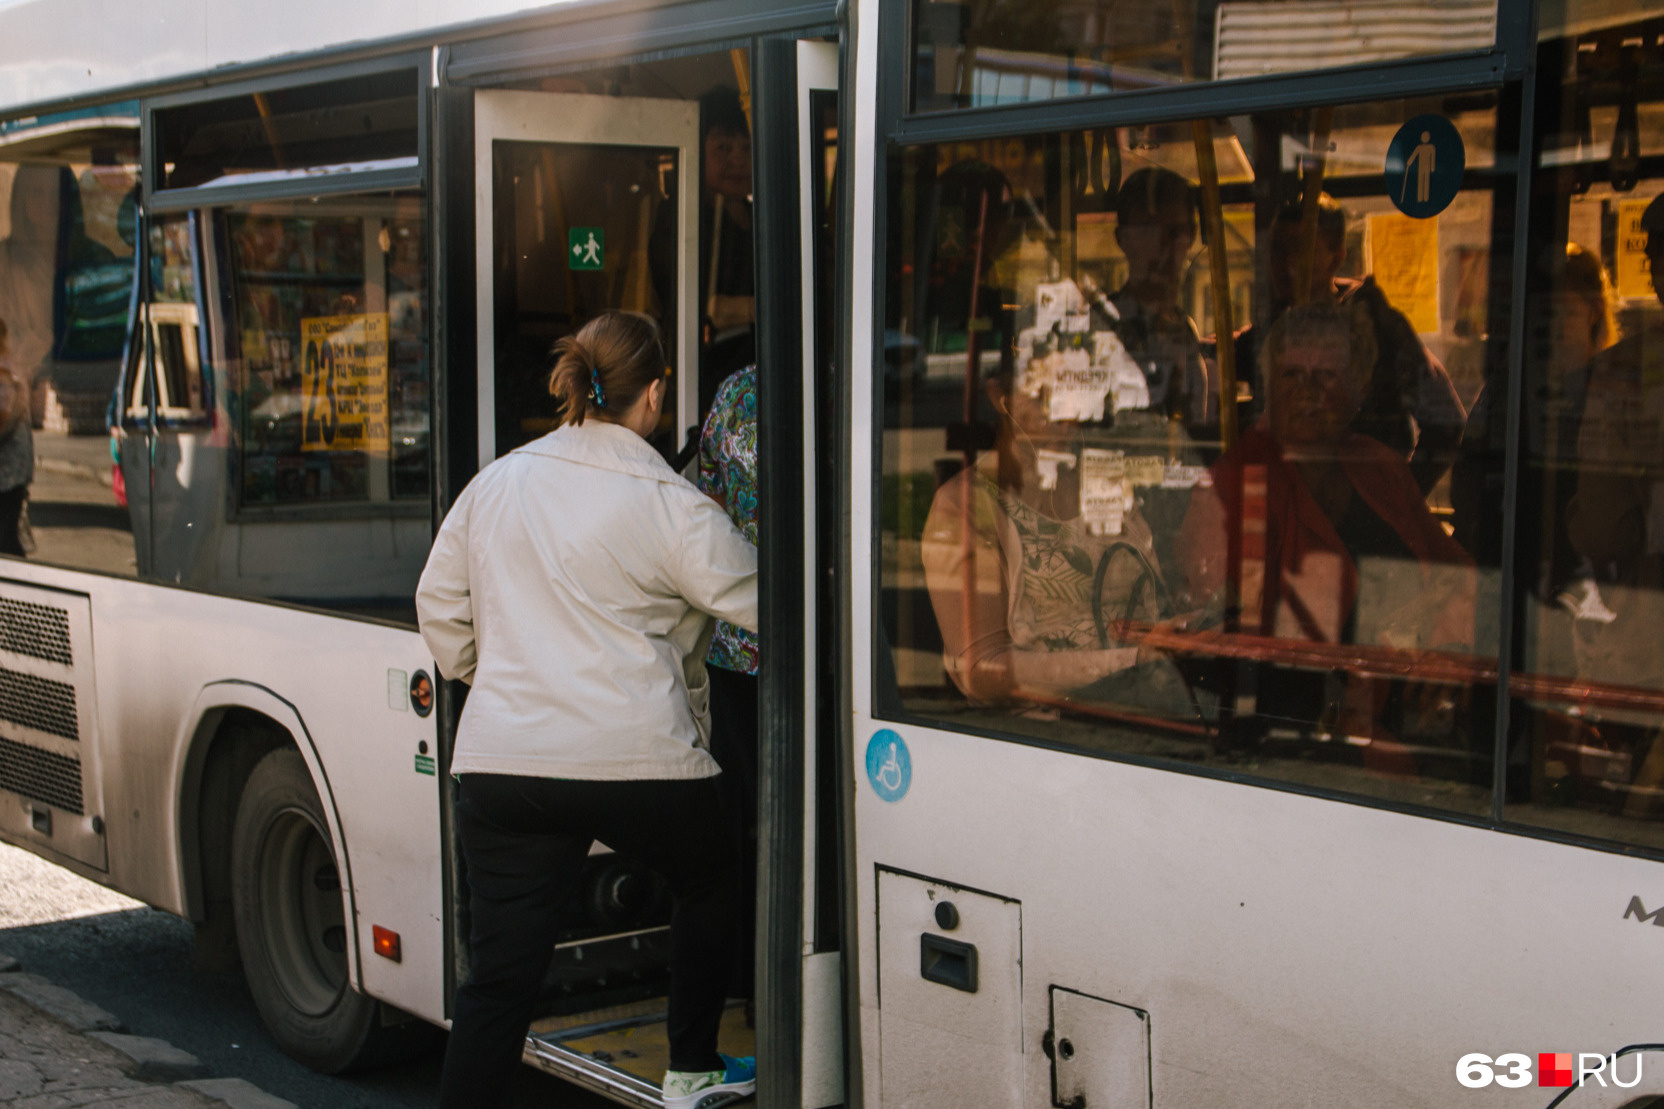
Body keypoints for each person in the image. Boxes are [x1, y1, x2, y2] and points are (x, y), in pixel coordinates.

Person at [417, 312, 760, 1109]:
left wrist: (497, 674)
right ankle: (691, 1067)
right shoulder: (670, 500)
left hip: (503, 766)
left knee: (498, 979)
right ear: (657, 393)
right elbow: (763, 600)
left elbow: (438, 604)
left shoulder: (497, 481)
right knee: (709, 877)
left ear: (578, 387)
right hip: (637, 759)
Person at [1179, 300, 1473, 651]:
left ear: (1359, 389)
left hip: (1408, 687)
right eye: (1291, 373)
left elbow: (1457, 575)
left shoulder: (1379, 466)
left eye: (1326, 375)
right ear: (1269, 385)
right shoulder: (1231, 488)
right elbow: (1228, 634)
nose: (1307, 389)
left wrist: (1449, 645)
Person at [919, 350, 1166, 704]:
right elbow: (982, 667)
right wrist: (1131, 660)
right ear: (1000, 397)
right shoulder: (966, 507)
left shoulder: (1104, 485)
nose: (1065, 415)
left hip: (1152, 718)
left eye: (1077, 393)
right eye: (1045, 395)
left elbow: (1154, 600)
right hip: (1041, 738)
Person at [1233, 193, 1465, 493]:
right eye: (1278, 249)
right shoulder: (1274, 332)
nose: (1287, 261)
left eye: (1302, 249)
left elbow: (1446, 422)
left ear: (1336, 257)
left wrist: (1397, 502)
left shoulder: (1378, 330)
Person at [695, 362, 760, 1011]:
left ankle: (745, 978)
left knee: (743, 820)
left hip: (735, 640)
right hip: (818, 645)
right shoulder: (844, 379)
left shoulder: (735, 389)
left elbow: (708, 501)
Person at [0, 318, 30, 557]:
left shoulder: (4, 371)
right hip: (12, 470)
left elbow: (3, 416)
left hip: (7, 472)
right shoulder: (10, 366)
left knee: (6, 539)